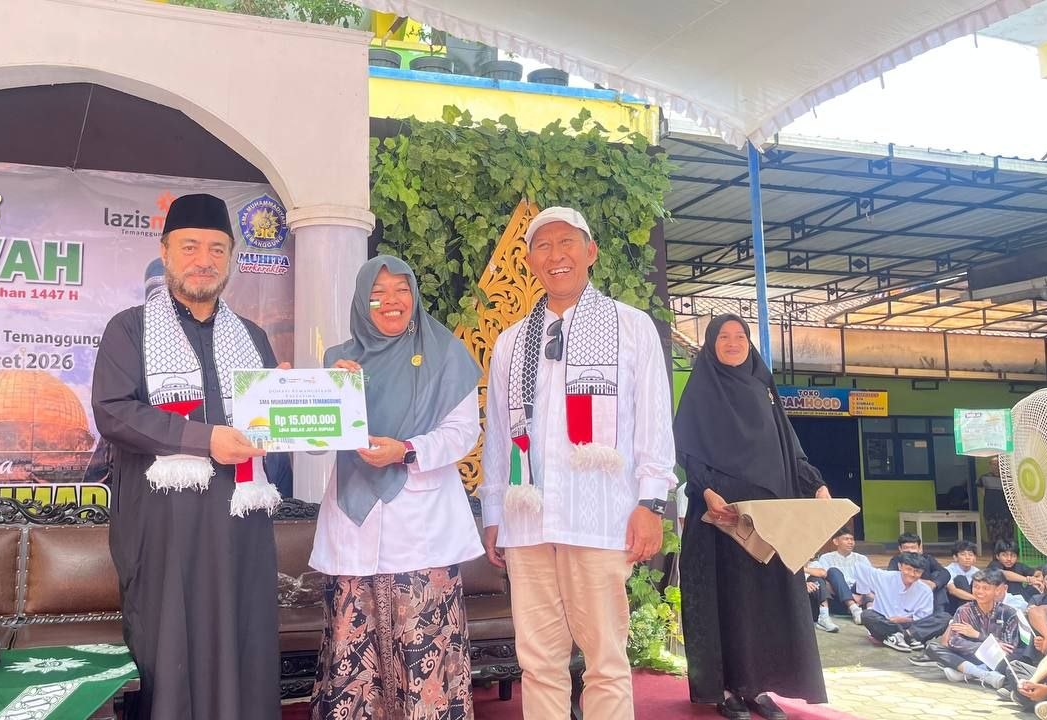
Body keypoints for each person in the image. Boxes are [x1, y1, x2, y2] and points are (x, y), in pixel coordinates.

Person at [90, 193, 284, 720]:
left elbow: (275, 427)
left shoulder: (252, 337)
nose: (204, 260)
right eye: (191, 246)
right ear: (165, 252)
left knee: (243, 641)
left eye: (217, 249)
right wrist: (204, 440)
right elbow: (113, 411)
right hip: (163, 529)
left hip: (240, 527)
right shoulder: (130, 329)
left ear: (231, 258)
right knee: (169, 649)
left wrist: (324, 395)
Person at [478, 206, 677, 720]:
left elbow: (654, 421)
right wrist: (494, 512)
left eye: (566, 242)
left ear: (590, 252)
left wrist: (652, 502)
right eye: (543, 246)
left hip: (600, 516)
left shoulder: (631, 327)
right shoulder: (511, 342)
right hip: (528, 520)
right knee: (538, 662)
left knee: (605, 660)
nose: (555, 255)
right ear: (530, 262)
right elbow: (499, 434)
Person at [310, 255, 483, 719]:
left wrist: (406, 450)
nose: (391, 301)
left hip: (423, 531)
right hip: (353, 526)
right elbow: (314, 445)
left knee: (425, 649)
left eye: (401, 290)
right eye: (377, 294)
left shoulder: (445, 355)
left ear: (415, 296)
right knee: (354, 652)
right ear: (361, 303)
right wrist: (328, 393)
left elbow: (463, 432)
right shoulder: (339, 361)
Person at [674, 314, 828, 720]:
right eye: (723, 336)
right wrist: (707, 491)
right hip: (722, 519)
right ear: (710, 344)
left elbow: (789, 447)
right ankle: (726, 689)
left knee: (764, 605)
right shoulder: (702, 390)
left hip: (769, 523)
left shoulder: (764, 390)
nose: (733, 342)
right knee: (727, 603)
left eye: (740, 336)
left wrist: (816, 485)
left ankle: (758, 688)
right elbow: (688, 451)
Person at [925, 569, 1021, 689]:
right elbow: (954, 641)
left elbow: (1008, 646)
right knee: (932, 648)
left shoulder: (1008, 612)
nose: (980, 592)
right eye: (976, 587)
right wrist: (988, 645)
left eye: (985, 588)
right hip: (969, 654)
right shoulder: (964, 610)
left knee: (1012, 657)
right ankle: (981, 674)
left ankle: (966, 672)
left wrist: (978, 635)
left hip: (994, 658)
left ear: (997, 590)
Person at [848, 553, 951, 653]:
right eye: (908, 569)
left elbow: (922, 617)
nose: (912, 574)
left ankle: (904, 636)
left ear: (922, 572)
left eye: (917, 571)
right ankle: (906, 638)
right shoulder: (885, 577)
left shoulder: (925, 590)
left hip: (910, 626)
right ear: (900, 566)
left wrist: (902, 619)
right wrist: (865, 592)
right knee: (867, 615)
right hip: (885, 623)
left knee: (945, 618)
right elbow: (860, 568)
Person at [812, 528, 872, 623]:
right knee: (833, 571)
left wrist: (861, 595)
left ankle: (870, 613)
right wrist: (850, 596)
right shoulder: (826, 558)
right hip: (838, 598)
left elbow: (871, 580)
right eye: (846, 539)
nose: (850, 542)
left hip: (860, 597)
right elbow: (825, 583)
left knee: (868, 576)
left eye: (852, 539)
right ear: (836, 541)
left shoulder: (861, 558)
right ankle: (853, 608)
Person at [888, 532, 953, 612]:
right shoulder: (896, 561)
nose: (910, 551)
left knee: (937, 577)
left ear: (919, 548)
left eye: (913, 548)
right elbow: (891, 579)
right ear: (900, 549)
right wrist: (918, 583)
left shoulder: (927, 558)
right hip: (906, 596)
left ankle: (939, 612)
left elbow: (945, 573)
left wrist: (934, 584)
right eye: (906, 548)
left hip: (927, 594)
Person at [945, 540, 982, 613]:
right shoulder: (948, 570)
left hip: (974, 603)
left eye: (970, 555)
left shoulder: (978, 572)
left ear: (975, 558)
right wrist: (976, 599)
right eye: (963, 554)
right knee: (960, 579)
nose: (967, 557)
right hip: (954, 605)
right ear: (955, 557)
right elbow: (952, 590)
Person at [805, 559, 840, 633]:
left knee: (817, 579)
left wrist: (803, 569)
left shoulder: (814, 564)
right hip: (800, 601)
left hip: (814, 605)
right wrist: (803, 585)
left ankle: (824, 617)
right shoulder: (789, 565)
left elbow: (823, 573)